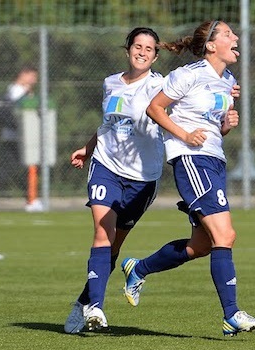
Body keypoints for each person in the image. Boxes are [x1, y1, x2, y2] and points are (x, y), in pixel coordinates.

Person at [120, 20, 255, 337]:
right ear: (211, 45)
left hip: (214, 159)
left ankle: (138, 268)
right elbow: (155, 108)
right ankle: (231, 315)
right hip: (191, 160)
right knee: (225, 235)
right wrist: (184, 135)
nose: (235, 37)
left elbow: (216, 128)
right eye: (228, 34)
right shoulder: (188, 74)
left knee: (201, 246)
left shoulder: (227, 80)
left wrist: (227, 123)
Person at [63, 27, 165, 333]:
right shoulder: (110, 82)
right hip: (106, 165)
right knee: (102, 234)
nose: (142, 52)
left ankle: (83, 303)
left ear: (156, 55)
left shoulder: (161, 85)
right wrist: (88, 147)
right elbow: (108, 123)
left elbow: (184, 108)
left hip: (143, 177)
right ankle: (96, 307)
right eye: (138, 46)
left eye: (149, 48)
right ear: (128, 49)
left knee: (113, 248)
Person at [0, 66, 40, 211]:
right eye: (32, 76)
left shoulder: (18, 90)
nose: (34, 80)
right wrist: (28, 95)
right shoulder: (18, 90)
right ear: (23, 74)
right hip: (17, 136)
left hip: (22, 136)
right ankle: (31, 200)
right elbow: (17, 109)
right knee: (24, 165)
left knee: (14, 166)